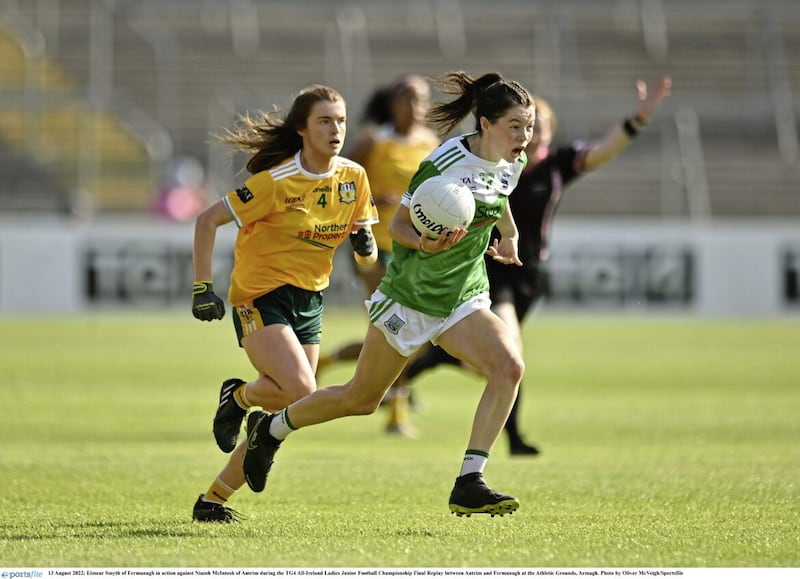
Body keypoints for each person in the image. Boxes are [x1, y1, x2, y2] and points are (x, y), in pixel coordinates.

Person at [239, 71, 537, 517]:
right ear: (486, 124)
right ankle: (272, 430)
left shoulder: (514, 161)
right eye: (515, 126)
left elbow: (501, 196)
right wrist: (426, 242)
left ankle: (469, 481)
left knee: (509, 366)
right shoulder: (444, 163)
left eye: (528, 126)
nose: (524, 136)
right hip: (410, 298)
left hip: (462, 299)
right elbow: (398, 227)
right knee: (360, 399)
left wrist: (509, 235)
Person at [395, 76, 673, 455]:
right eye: (523, 125)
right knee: (510, 356)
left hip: (528, 272)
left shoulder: (553, 165)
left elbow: (605, 150)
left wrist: (639, 119)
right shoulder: (492, 158)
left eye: (536, 125)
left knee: (497, 358)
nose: (530, 132)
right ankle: (512, 440)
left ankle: (438, 357)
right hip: (493, 271)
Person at [189, 84, 379, 522]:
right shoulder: (276, 182)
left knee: (287, 407)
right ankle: (239, 398)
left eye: (342, 120)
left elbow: (366, 253)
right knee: (301, 392)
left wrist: (365, 244)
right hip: (260, 295)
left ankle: (213, 500)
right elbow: (207, 220)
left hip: (310, 299)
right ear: (301, 129)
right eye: (325, 121)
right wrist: (203, 286)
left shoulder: (354, 178)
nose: (336, 129)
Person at [316, 75, 440, 435]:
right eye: (407, 99)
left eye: (421, 99)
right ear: (393, 104)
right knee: (395, 327)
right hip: (374, 247)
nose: (414, 106)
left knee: (401, 333)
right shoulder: (375, 142)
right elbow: (340, 181)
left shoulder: (432, 143)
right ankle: (397, 411)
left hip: (415, 247)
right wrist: (371, 201)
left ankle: (327, 361)